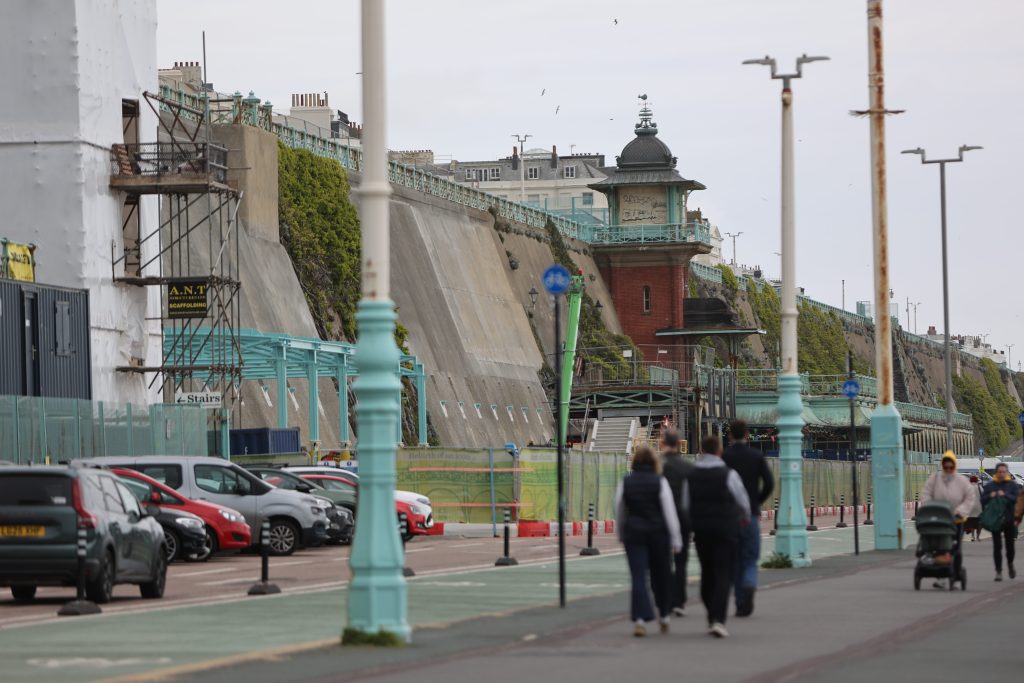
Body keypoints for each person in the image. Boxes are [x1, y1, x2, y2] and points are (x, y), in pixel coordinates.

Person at [681, 435, 751, 638]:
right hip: (726, 529)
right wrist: (744, 517)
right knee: (723, 574)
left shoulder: (691, 476)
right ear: (719, 451)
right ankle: (718, 619)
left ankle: (711, 614)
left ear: (702, 450)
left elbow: (685, 505)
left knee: (707, 573)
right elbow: (742, 500)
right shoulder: (729, 474)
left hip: (701, 531)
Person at [615, 446, 683, 637]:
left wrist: (621, 533)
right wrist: (676, 540)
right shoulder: (660, 482)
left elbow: (619, 510)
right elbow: (669, 512)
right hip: (658, 534)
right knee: (661, 575)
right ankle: (664, 616)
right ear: (655, 463)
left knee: (638, 576)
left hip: (634, 534)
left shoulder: (626, 482)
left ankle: (639, 619)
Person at [722, 420, 774, 617]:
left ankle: (740, 602)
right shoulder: (756, 455)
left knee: (734, 560)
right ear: (746, 434)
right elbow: (769, 483)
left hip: (731, 516)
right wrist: (757, 501)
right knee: (750, 558)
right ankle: (750, 584)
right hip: (751, 513)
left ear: (730, 435)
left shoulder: (725, 457)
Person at [921, 452, 978, 588]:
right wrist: (930, 508)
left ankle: (956, 574)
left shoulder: (961, 481)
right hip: (939, 520)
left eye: (950, 467)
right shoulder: (934, 479)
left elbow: (970, 497)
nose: (948, 469)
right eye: (945, 467)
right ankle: (941, 577)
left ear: (954, 466)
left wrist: (960, 511)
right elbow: (926, 494)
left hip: (956, 520)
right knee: (940, 548)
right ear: (942, 466)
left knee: (956, 549)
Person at [659, 428, 693, 617]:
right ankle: (679, 600)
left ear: (663, 444)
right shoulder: (688, 467)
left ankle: (665, 598)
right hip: (683, 519)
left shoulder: (658, 466)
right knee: (681, 561)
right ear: (679, 444)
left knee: (663, 561)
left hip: (661, 519)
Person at [981, 463, 1020, 581]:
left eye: (1004, 472)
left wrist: (1006, 495)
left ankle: (1010, 563)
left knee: (1010, 546)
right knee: (997, 546)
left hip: (1009, 519)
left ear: (1007, 473)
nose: (1002, 474)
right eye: (1000, 472)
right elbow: (982, 500)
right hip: (995, 520)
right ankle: (998, 571)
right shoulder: (990, 485)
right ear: (996, 473)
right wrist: (990, 496)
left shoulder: (1012, 485)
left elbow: (1016, 500)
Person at [965, 474, 983, 542]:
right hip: (979, 508)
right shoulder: (979, 487)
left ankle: (972, 536)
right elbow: (983, 496)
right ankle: (978, 537)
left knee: (971, 523)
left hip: (970, 508)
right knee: (979, 523)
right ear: (976, 481)